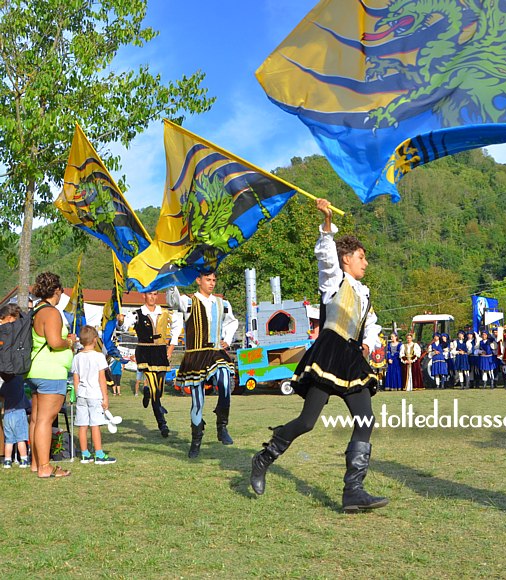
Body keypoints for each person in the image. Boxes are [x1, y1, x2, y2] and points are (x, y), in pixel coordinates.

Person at [250, 198, 388, 513]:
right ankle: (263, 458)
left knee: (366, 419)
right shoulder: (334, 280)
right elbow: (326, 257)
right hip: (329, 353)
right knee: (308, 421)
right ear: (347, 259)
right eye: (361, 257)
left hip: (352, 358)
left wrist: (368, 342)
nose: (365, 263)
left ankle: (353, 490)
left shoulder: (364, 294)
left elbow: (369, 324)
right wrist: (327, 223)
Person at [167, 273, 238, 458]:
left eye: (214, 280)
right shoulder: (188, 301)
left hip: (215, 351)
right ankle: (196, 440)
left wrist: (227, 340)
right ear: (198, 280)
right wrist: (172, 278)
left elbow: (232, 322)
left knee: (224, 379)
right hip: (196, 354)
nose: (212, 283)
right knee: (197, 401)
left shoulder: (222, 304)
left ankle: (222, 426)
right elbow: (172, 301)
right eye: (208, 280)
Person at [26, 272, 77, 478]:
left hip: (35, 370)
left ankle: (36, 463)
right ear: (56, 291)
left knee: (37, 419)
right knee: (46, 420)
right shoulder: (52, 312)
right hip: (51, 372)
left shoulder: (36, 310)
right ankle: (45, 467)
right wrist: (70, 342)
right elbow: (55, 342)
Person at [118, 291, 182, 437]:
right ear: (144, 296)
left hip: (160, 353)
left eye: (155, 294)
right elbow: (124, 327)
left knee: (158, 390)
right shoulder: (136, 313)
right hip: (145, 352)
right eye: (149, 294)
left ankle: (147, 392)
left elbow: (177, 327)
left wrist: (171, 347)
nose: (152, 297)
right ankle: (162, 424)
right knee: (154, 389)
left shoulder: (165, 312)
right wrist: (121, 321)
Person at [72, 325, 116, 464]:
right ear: (95, 340)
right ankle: (99, 454)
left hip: (82, 394)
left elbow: (75, 378)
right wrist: (105, 396)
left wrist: (78, 392)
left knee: (82, 425)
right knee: (95, 424)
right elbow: (101, 378)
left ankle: (85, 453)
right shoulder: (99, 357)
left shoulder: (77, 357)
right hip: (95, 393)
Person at [1, 304, 30, 469]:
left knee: (9, 439)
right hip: (18, 412)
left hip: (7, 414)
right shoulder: (18, 379)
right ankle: (24, 459)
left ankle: (7, 460)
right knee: (20, 438)